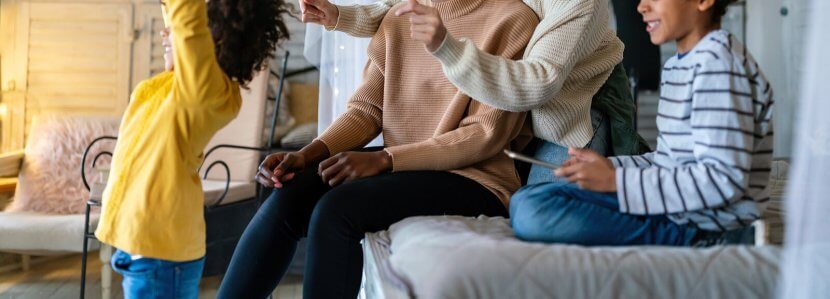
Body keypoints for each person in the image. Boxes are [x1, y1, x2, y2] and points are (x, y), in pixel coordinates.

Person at [216, 0, 538, 297]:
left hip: (477, 179)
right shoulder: (399, 18)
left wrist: (386, 159)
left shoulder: (513, 20)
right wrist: (306, 155)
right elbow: (365, 111)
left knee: (337, 209)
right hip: (406, 168)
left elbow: (484, 134)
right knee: (290, 193)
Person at [299, 0, 651, 186]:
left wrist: (446, 47)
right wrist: (338, 16)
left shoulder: (579, 3)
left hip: (573, 109)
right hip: (521, 109)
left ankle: (640, 182)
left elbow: (537, 85)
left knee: (541, 214)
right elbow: (401, 9)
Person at [510, 0, 774, 246]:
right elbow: (670, 161)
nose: (641, 7)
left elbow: (723, 180)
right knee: (527, 199)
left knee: (533, 212)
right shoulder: (679, 65)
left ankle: (705, 239)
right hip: (677, 206)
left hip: (706, 222)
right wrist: (608, 166)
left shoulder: (718, 66)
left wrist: (617, 181)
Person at [94, 0, 290, 297]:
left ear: (211, 39)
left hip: (160, 252)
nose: (164, 33)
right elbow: (179, 18)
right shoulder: (173, 88)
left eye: (176, 31)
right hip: (139, 246)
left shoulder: (209, 92)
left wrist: (184, 23)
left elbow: (185, 15)